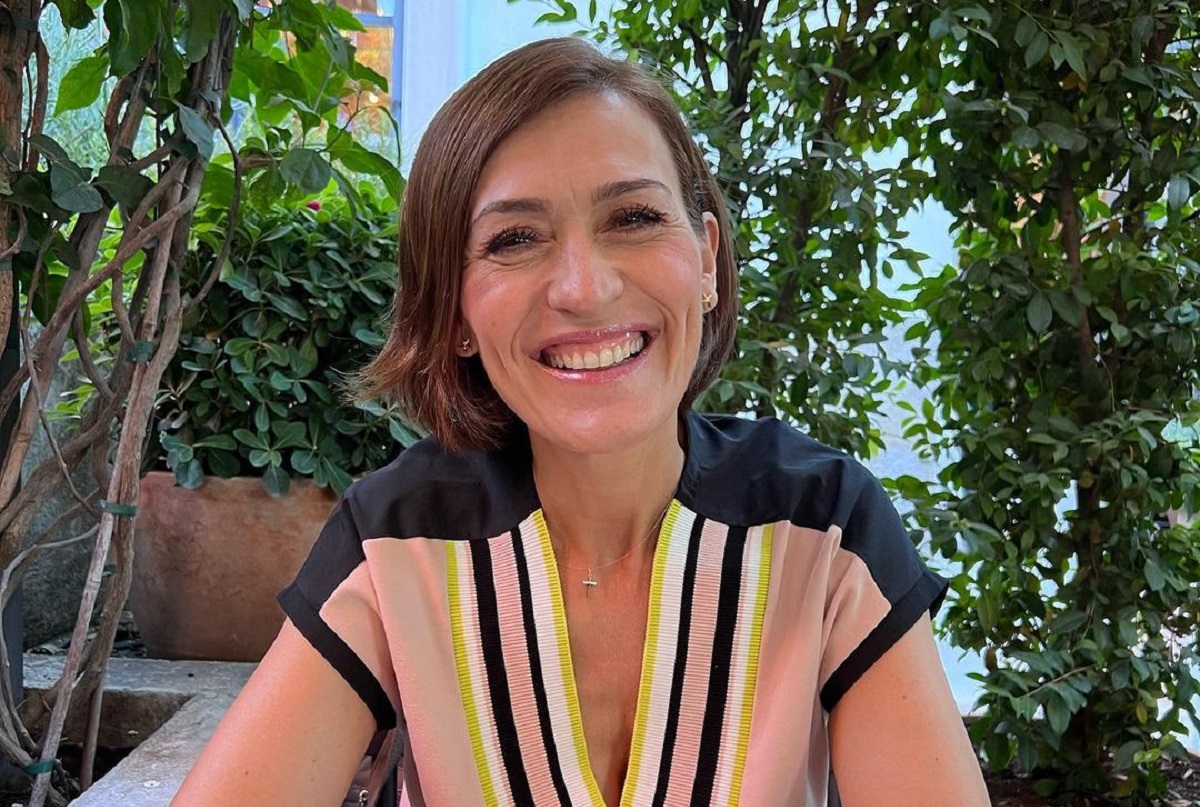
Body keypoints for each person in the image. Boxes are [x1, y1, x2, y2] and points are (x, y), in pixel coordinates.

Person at [173, 37, 988, 807]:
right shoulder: (400, 544)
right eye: (515, 238)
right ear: (454, 311)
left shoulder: (823, 531)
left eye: (633, 218)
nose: (584, 288)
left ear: (706, 259)